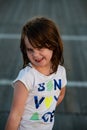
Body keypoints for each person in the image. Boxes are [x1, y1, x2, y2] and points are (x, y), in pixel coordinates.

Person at [5, 17, 67, 130]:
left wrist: (44, 110)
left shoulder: (61, 72)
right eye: (30, 50)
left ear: (53, 44)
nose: (35, 55)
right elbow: (15, 115)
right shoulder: (26, 77)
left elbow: (61, 94)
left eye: (40, 48)